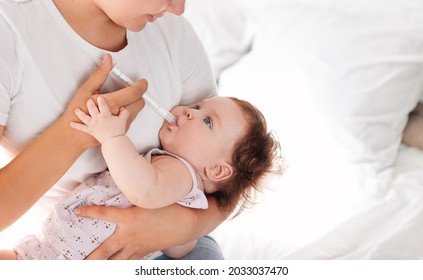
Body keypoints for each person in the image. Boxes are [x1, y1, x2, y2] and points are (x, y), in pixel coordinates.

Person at [0, 0, 229, 259]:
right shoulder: (9, 28)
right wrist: (72, 137)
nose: (178, 8)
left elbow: (234, 168)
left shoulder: (172, 31)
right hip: (67, 251)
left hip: (174, 250)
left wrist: (186, 225)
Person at [0, 94, 282, 260]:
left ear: (217, 170)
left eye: (207, 121)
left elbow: (142, 190)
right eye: (197, 106)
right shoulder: (183, 190)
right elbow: (180, 248)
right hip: (58, 249)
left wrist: (112, 135)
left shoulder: (181, 173)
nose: (188, 111)